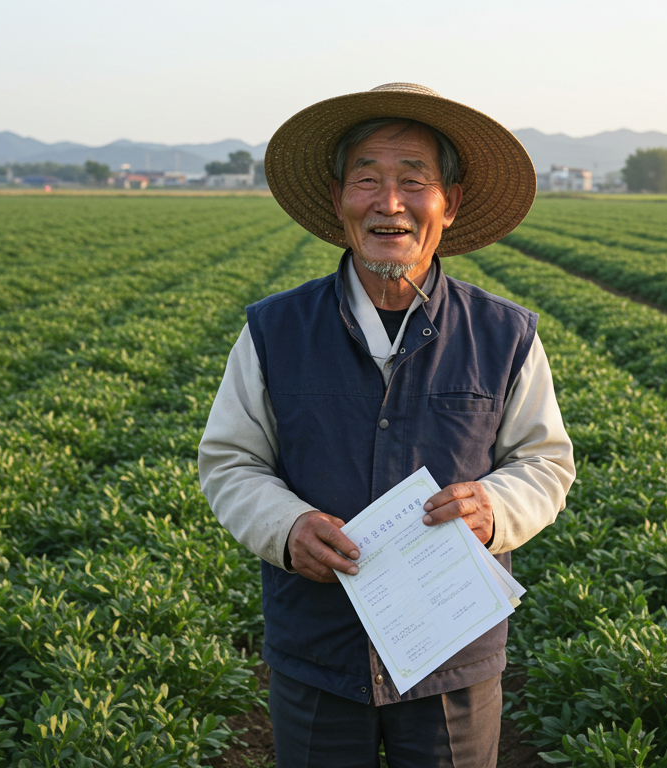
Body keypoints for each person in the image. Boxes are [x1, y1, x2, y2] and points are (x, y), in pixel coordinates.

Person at [198, 83, 575, 768]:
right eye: (367, 179)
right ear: (339, 197)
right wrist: (285, 529)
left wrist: (495, 508)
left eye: (413, 181)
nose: (389, 203)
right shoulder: (274, 330)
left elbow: (545, 461)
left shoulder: (504, 334)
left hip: (451, 654)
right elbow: (231, 461)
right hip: (317, 652)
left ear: (449, 204)